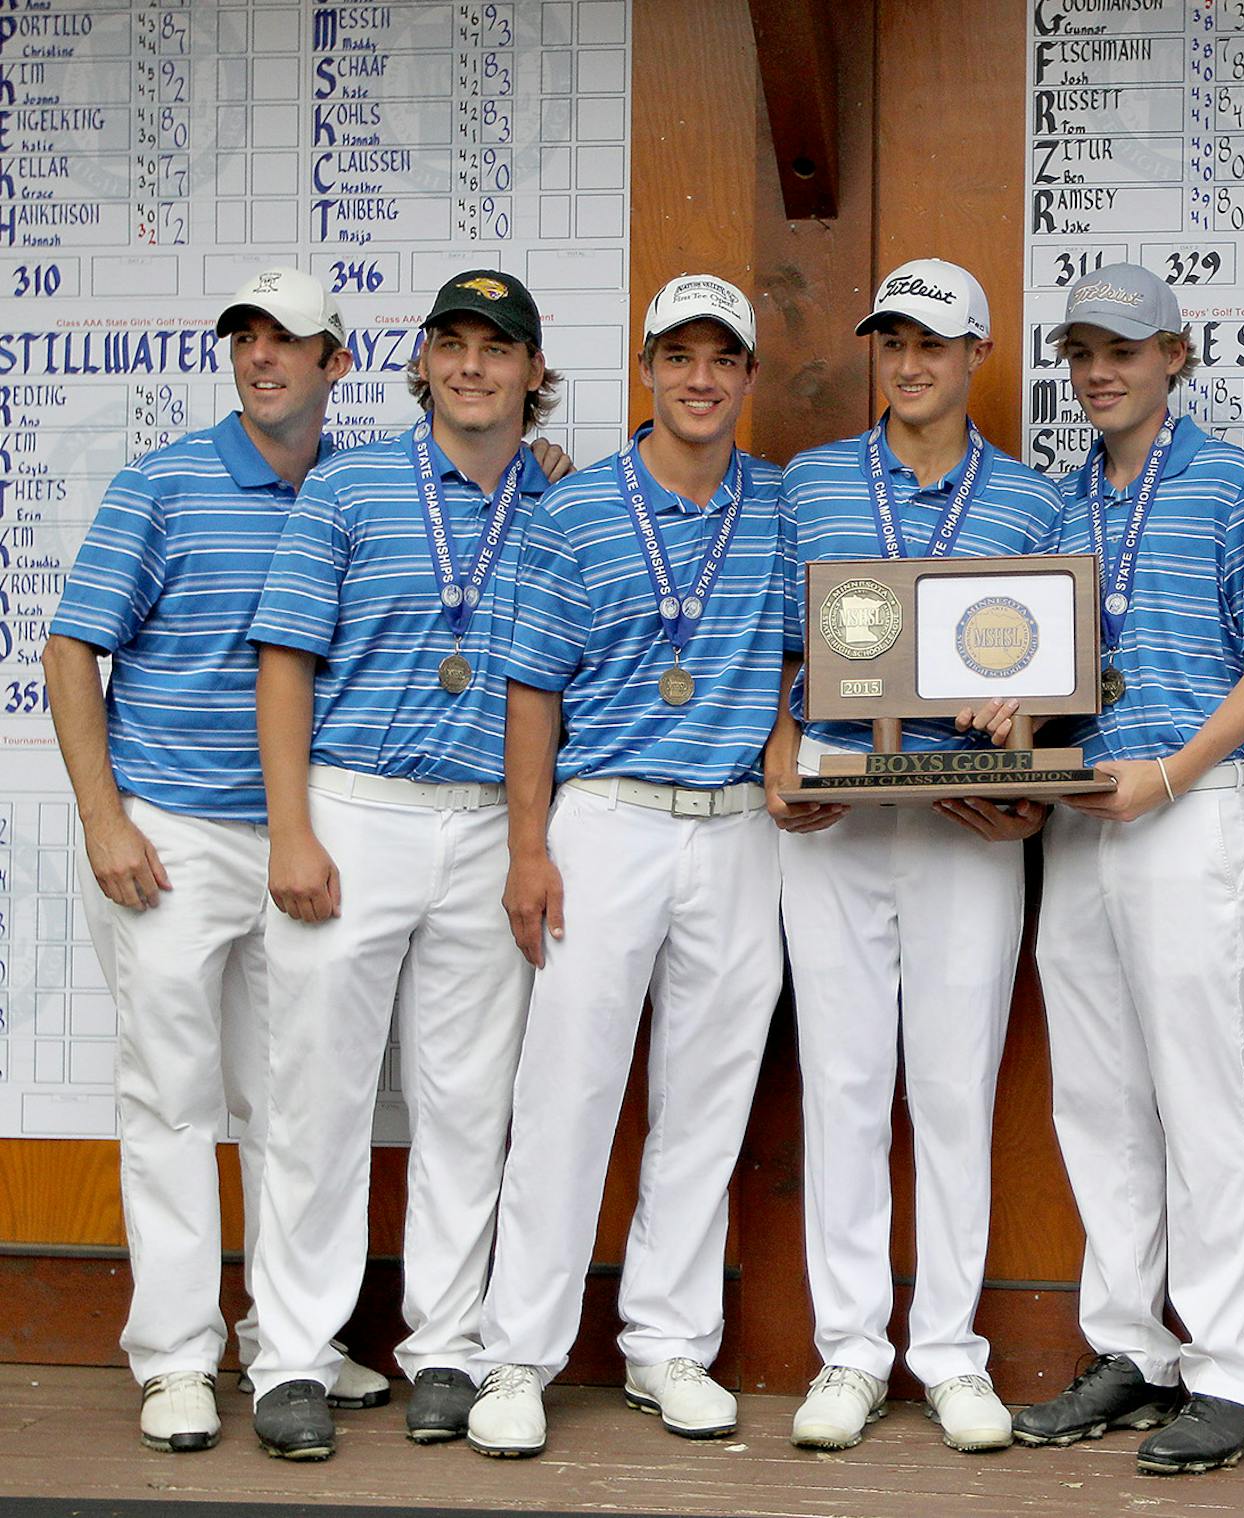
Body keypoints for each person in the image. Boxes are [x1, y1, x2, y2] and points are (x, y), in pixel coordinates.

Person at [44, 267, 390, 1453]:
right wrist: (102, 817)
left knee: (300, 1106)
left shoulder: (365, 487)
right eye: (247, 335)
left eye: (289, 340)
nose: (262, 356)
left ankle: (289, 1342)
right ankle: (178, 1358)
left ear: (335, 362)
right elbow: (71, 647)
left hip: (310, 835)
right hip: (174, 839)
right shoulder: (165, 483)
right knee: (175, 1104)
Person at [458, 275, 789, 1457]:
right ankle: (517, 1358)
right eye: (678, 357)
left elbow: (812, 658)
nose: (701, 379)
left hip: (742, 826)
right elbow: (530, 689)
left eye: (723, 360)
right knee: (567, 1093)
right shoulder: (577, 509)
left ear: (748, 379)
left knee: (707, 1097)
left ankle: (666, 1346)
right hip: (606, 818)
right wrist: (528, 848)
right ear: (646, 369)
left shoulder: (786, 505)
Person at [243, 270, 559, 1459]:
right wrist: (290, 829)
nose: (473, 366)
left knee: (469, 1105)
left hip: (489, 821)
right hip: (355, 809)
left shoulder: (562, 504)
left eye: (499, 348)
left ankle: (446, 1348)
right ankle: (290, 1356)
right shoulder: (349, 487)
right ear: (421, 361)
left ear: (534, 373)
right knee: (315, 1096)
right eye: (453, 344)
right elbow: (286, 664)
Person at [1003, 264, 1244, 1475]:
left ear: (1176, 354)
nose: (1098, 372)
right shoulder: (1061, 507)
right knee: (1098, 1097)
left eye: (1122, 348)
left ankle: (1235, 1368)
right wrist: (1012, 724)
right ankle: (1132, 1345)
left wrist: (1172, 774)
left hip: (1183, 811)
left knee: (1199, 1097)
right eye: (1081, 351)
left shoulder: (1231, 482)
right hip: (1084, 814)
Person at [765, 259, 1063, 1455]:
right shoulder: (812, 482)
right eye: (891, 340)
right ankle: (850, 1353)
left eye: (933, 343)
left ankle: (947, 1353)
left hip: (963, 824)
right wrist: (779, 747)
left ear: (977, 354)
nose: (910, 362)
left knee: (952, 1091)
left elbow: (1065, 665)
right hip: (837, 815)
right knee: (841, 1088)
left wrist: (1032, 753)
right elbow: (763, 635)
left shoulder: (1034, 502)